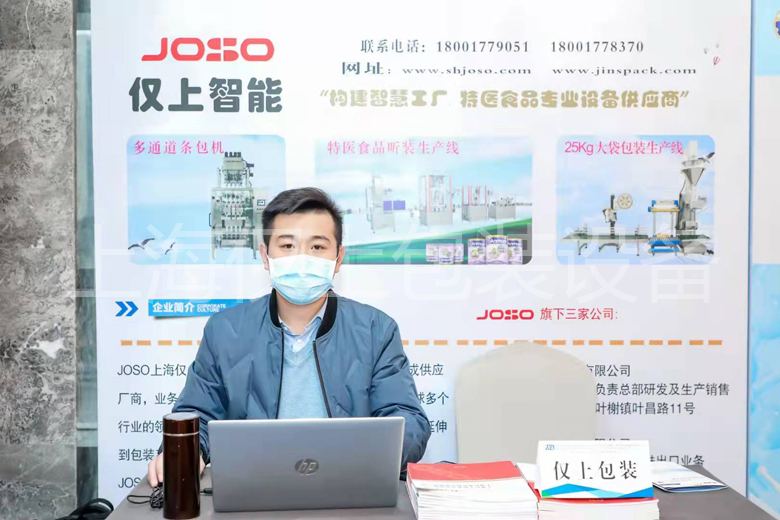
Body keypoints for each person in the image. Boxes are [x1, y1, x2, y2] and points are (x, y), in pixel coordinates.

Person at [148, 187, 430, 486]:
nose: (302, 259)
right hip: (252, 488)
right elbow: (198, 413)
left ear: (338, 259)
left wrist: (366, 455)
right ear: (265, 256)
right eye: (287, 245)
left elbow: (407, 420)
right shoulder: (225, 330)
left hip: (351, 486)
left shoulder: (376, 330)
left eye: (317, 247)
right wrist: (183, 453)